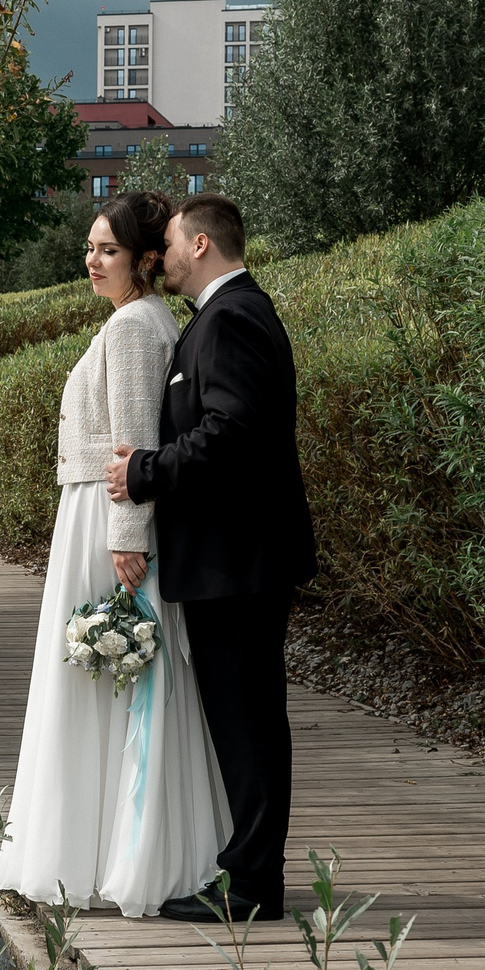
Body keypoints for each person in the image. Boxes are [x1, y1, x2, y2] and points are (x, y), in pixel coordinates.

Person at [0, 190, 232, 917]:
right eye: (91, 249)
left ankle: (103, 854)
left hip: (107, 517)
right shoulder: (143, 319)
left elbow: (136, 440)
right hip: (98, 510)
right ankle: (107, 846)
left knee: (104, 681)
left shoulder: (133, 327)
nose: (93, 261)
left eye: (109, 250)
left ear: (146, 259)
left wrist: (126, 536)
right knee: (111, 682)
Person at [106, 193, 315, 923]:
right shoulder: (226, 315)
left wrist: (145, 470)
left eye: (168, 241)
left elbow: (231, 433)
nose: (160, 254)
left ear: (200, 244)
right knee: (244, 720)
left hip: (238, 562)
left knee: (249, 722)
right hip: (233, 560)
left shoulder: (232, 318)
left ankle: (252, 885)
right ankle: (251, 874)